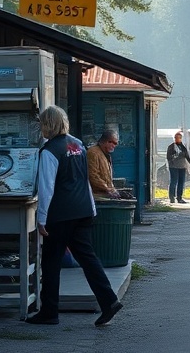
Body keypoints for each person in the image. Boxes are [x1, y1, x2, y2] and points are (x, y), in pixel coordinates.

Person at [26, 106, 123, 327]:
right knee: (88, 259)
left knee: (50, 262)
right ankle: (109, 300)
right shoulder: (78, 145)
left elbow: (47, 187)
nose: (39, 127)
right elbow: (84, 180)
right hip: (83, 211)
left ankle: (49, 312)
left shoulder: (50, 151)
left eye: (41, 123)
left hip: (60, 214)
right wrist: (92, 209)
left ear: (48, 124)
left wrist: (41, 219)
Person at [86, 130, 121, 199]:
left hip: (104, 194)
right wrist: (108, 189)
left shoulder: (105, 154)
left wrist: (113, 190)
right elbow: (93, 176)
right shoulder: (93, 153)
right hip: (96, 195)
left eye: (115, 144)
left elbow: (107, 178)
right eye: (111, 142)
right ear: (105, 141)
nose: (113, 146)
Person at [166, 130, 190, 203]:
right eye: (176, 138)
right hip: (173, 167)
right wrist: (172, 162)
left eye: (179, 138)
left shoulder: (183, 147)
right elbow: (168, 157)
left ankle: (179, 197)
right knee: (173, 181)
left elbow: (187, 156)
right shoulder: (171, 147)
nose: (178, 139)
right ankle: (171, 197)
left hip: (182, 166)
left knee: (181, 182)